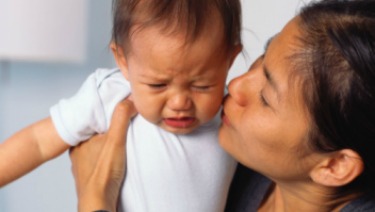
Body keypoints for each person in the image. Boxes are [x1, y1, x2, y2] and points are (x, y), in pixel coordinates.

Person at [71, 0, 375, 211]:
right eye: (260, 60)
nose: (235, 84)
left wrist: (94, 195)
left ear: (335, 165)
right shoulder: (242, 169)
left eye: (266, 98)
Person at [0, 0, 242, 211]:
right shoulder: (111, 94)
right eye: (158, 85)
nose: (179, 102)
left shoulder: (234, 112)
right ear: (123, 61)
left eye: (202, 85)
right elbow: (38, 142)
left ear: (229, 61)